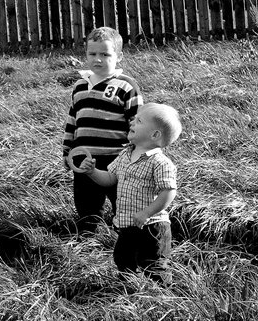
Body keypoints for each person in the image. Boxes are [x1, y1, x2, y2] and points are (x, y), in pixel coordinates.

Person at [79, 102, 182, 284]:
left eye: (139, 121)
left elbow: (168, 192)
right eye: (134, 119)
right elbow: (110, 178)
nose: (132, 122)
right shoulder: (125, 154)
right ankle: (129, 288)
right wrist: (92, 172)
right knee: (123, 259)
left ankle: (162, 295)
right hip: (126, 223)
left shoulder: (160, 162)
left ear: (155, 135)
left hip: (152, 226)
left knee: (154, 263)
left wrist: (147, 212)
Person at [63, 26, 143, 234]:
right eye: (92, 54)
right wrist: (66, 151)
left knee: (123, 202)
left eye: (105, 54)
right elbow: (73, 121)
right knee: (86, 204)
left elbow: (137, 121)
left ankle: (125, 237)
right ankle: (91, 238)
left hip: (118, 159)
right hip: (85, 158)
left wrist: (139, 153)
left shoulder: (126, 86)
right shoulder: (81, 85)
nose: (98, 59)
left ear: (119, 56)